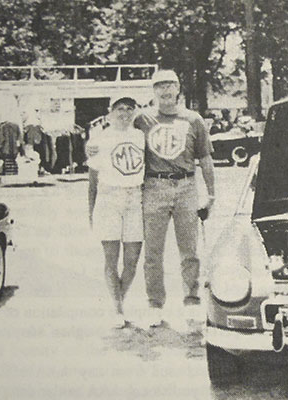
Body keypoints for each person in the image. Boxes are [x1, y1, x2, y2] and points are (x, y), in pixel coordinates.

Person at [133, 69, 215, 329]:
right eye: (160, 86)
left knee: (189, 250)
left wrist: (211, 194)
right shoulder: (142, 119)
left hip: (186, 185)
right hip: (153, 186)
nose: (166, 91)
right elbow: (118, 137)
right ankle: (154, 304)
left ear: (179, 88)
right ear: (153, 90)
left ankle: (191, 300)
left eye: (170, 85)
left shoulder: (193, 119)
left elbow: (205, 159)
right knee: (153, 252)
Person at [87, 95, 145, 328]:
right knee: (111, 259)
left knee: (132, 259)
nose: (124, 113)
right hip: (109, 198)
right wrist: (91, 212)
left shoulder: (140, 136)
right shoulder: (99, 139)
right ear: (110, 113)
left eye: (129, 108)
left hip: (134, 198)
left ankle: (119, 300)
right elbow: (92, 181)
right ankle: (117, 308)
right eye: (119, 108)